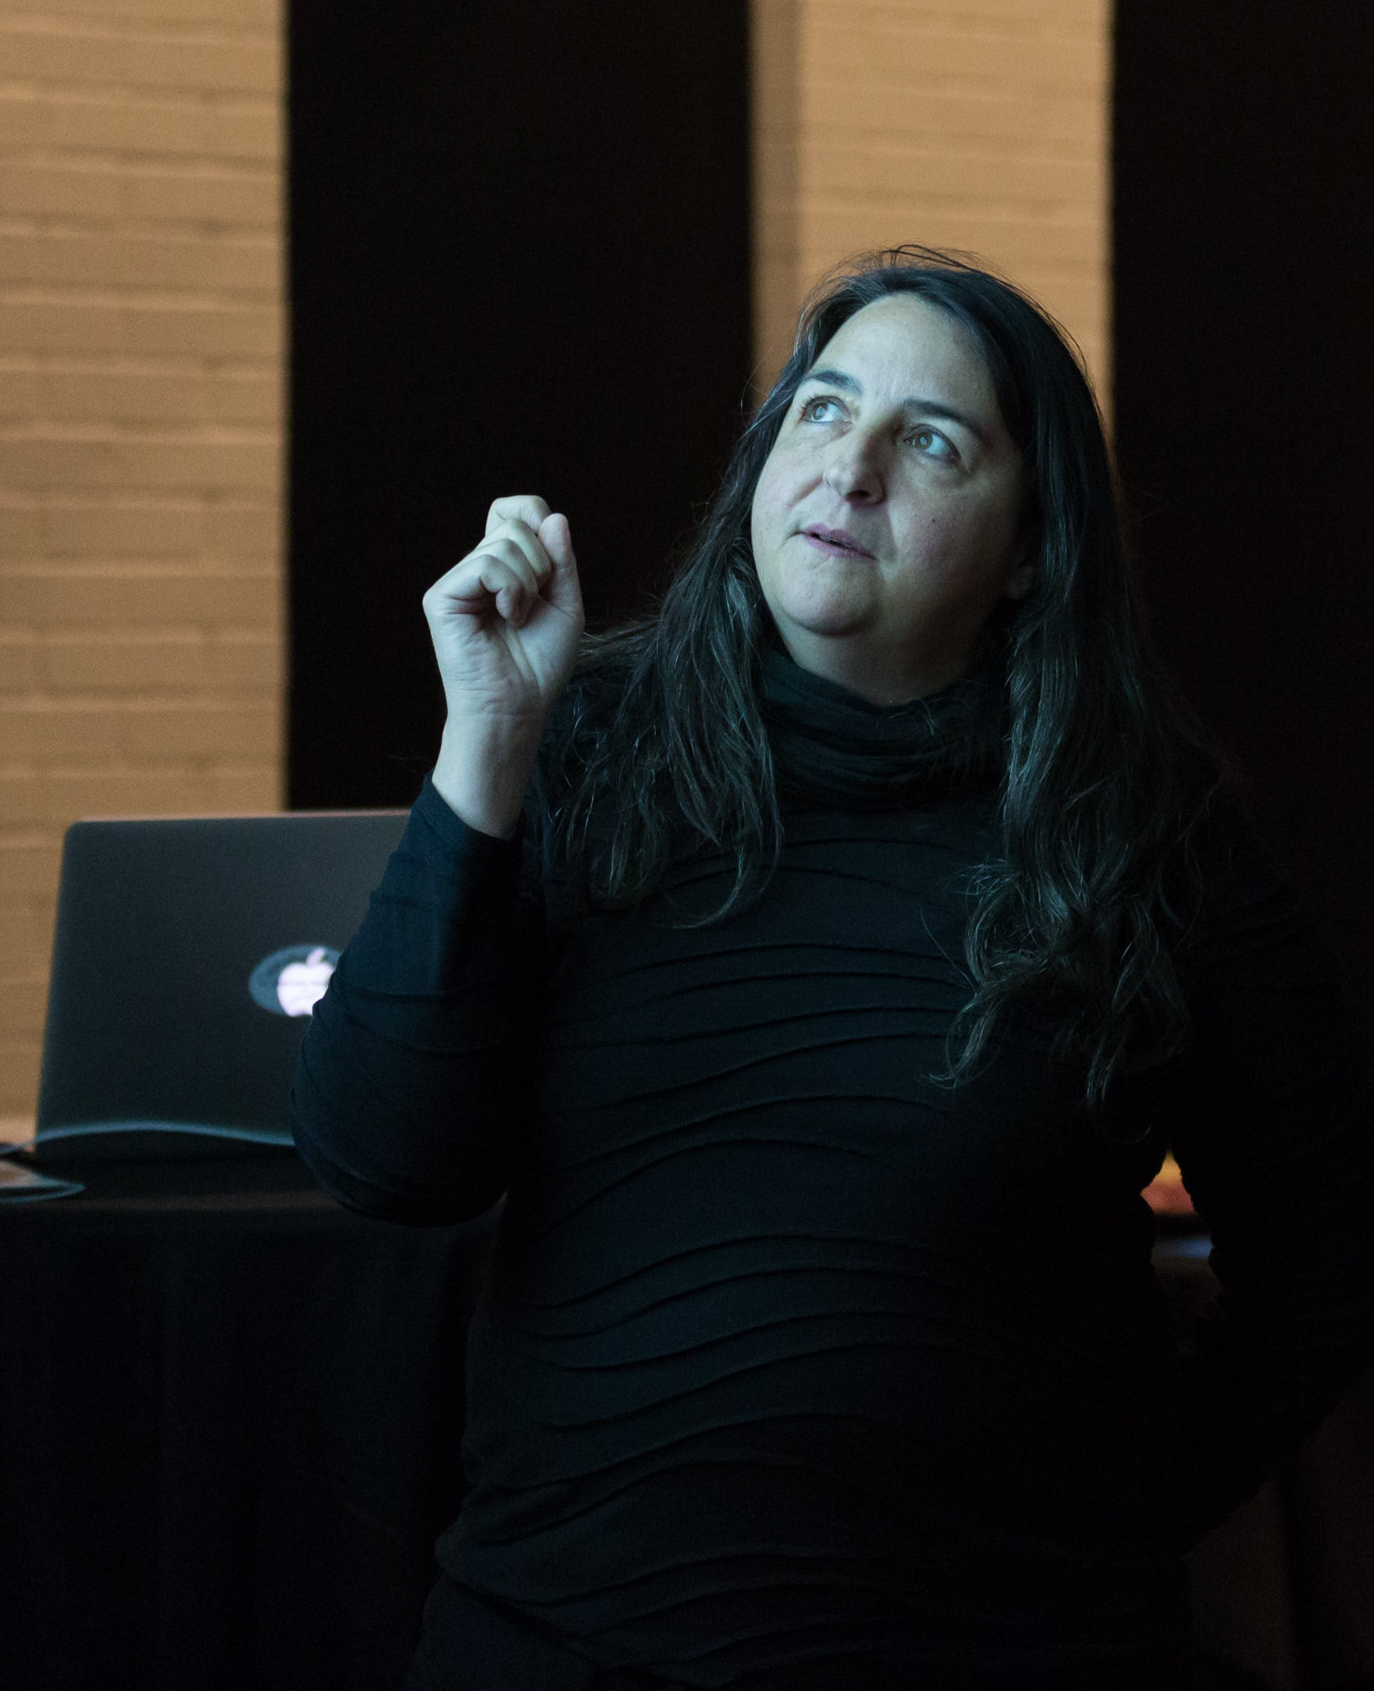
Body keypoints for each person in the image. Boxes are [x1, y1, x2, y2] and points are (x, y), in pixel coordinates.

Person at [292, 251, 1374, 1691]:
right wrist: (486, 743)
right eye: (821, 409)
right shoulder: (585, 744)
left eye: (931, 441)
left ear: (1035, 549)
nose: (848, 467)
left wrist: (1110, 1514)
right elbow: (385, 1163)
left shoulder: (1141, 830)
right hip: (567, 1645)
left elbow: (1331, 1259)